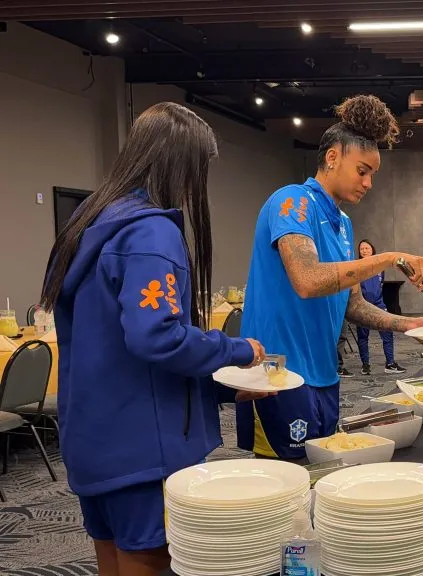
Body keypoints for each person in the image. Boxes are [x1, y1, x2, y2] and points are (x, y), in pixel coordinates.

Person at [39, 102, 269, 576]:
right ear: (182, 164)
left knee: (111, 557)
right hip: (144, 448)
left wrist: (218, 386)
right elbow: (156, 337)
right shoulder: (150, 230)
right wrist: (237, 350)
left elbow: (116, 348)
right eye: (200, 169)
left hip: (93, 439)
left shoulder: (90, 220)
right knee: (148, 560)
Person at [237, 95, 423, 461]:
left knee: (322, 477)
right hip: (279, 377)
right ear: (332, 158)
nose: (369, 183)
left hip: (325, 376)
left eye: (373, 173)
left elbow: (354, 304)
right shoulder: (292, 202)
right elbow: (308, 280)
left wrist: (411, 326)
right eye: (363, 171)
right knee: (286, 484)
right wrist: (388, 258)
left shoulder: (343, 225)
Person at [355, 239, 405, 375]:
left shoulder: (379, 267)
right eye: (362, 249)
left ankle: (390, 363)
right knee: (363, 337)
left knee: (387, 333)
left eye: (367, 248)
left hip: (379, 304)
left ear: (372, 250)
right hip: (362, 306)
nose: (364, 250)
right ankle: (365, 365)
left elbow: (380, 284)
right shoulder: (356, 266)